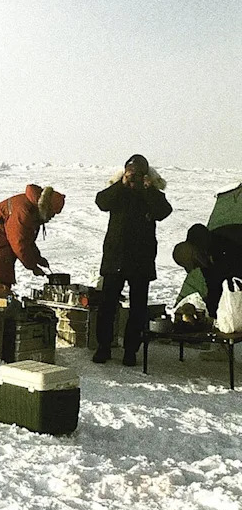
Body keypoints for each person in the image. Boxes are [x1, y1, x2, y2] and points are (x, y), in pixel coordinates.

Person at [94, 154, 172, 365]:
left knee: (138, 308)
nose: (134, 178)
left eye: (138, 174)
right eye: (131, 173)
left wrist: (148, 189)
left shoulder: (150, 193)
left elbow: (164, 211)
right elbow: (101, 202)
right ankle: (103, 346)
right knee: (107, 305)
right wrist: (121, 185)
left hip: (141, 258)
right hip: (115, 257)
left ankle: (131, 351)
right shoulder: (118, 191)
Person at [0, 184, 65, 289]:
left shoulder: (32, 208)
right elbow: (19, 243)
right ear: (47, 207)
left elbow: (27, 239)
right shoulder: (23, 211)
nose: (52, 216)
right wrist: (32, 266)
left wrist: (38, 258)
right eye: (53, 212)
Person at [172, 223, 242, 319]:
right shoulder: (205, 255)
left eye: (195, 264)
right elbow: (213, 286)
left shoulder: (226, 244)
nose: (196, 267)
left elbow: (234, 278)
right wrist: (213, 315)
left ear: (196, 256)